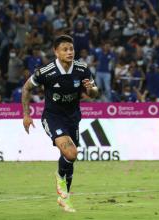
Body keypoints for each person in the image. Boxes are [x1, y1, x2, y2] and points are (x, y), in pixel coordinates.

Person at [21, 35, 98, 212]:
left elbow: (94, 93)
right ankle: (59, 177)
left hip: (73, 117)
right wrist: (26, 115)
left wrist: (90, 89)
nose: (69, 52)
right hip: (53, 117)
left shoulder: (82, 68)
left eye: (71, 49)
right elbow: (26, 87)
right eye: (65, 49)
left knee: (70, 160)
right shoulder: (46, 72)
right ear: (56, 52)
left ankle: (65, 198)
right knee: (71, 153)